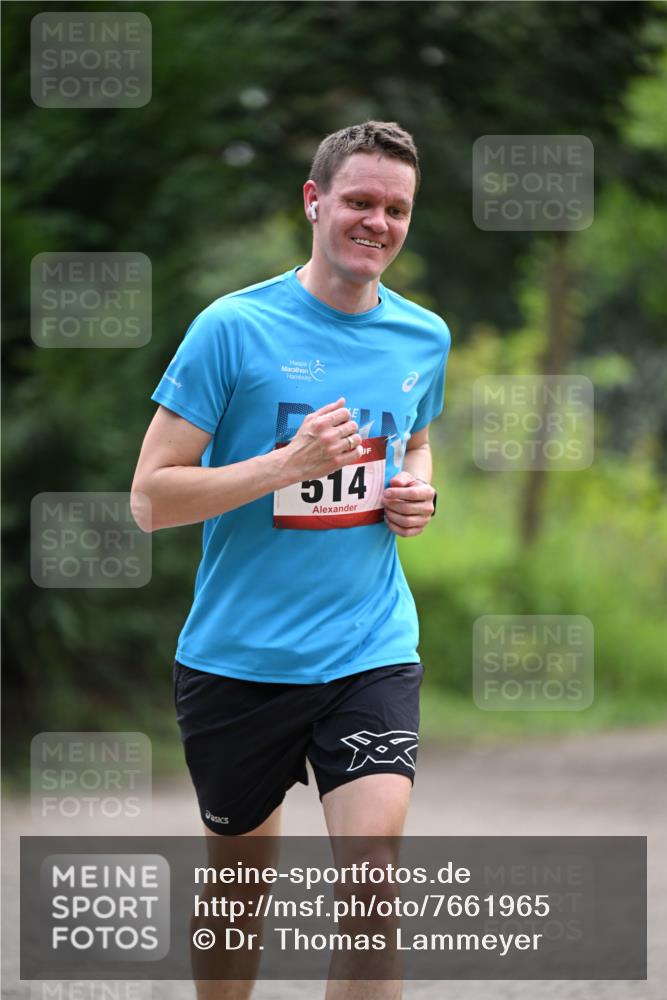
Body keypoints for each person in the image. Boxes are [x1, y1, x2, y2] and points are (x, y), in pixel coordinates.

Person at [131, 120, 451, 999]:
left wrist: (414, 489)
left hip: (367, 647)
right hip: (240, 659)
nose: (377, 223)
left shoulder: (423, 337)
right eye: (358, 201)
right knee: (239, 889)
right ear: (314, 202)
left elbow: (413, 443)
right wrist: (286, 464)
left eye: (396, 208)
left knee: (373, 877)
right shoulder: (231, 329)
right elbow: (151, 498)